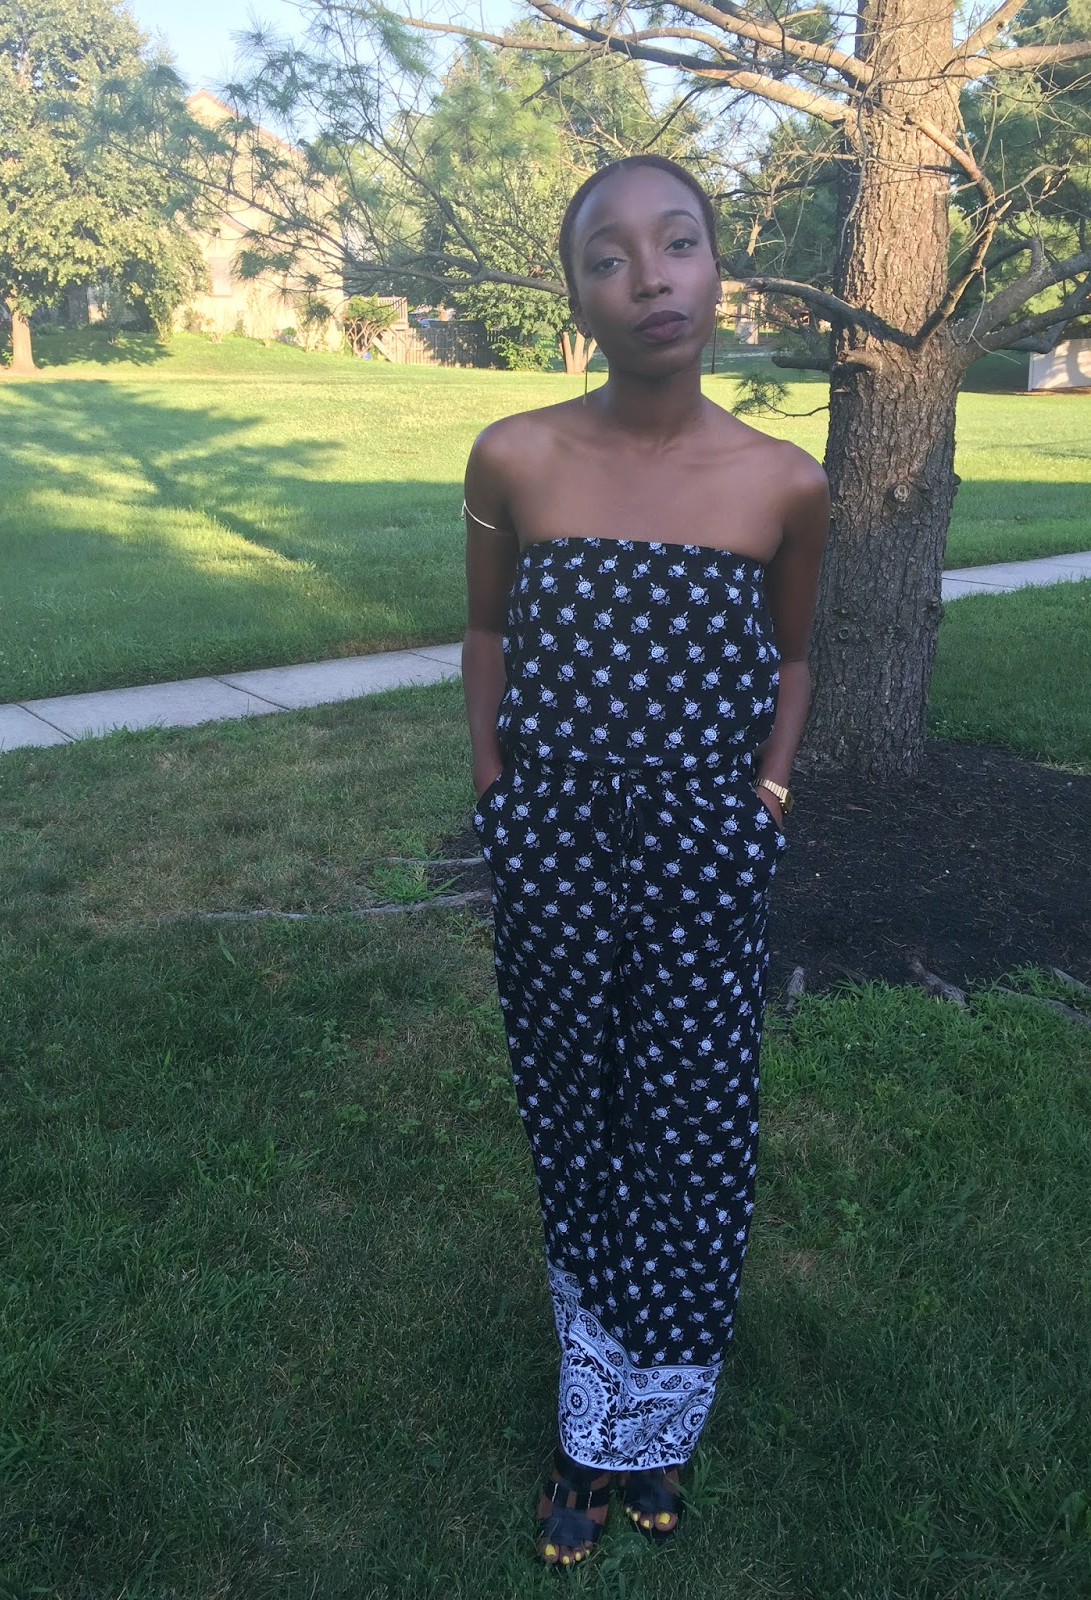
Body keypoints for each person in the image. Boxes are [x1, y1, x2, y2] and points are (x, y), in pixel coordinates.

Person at [461, 155, 829, 1568]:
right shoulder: (514, 458)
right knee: (579, 1123)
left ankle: (652, 1428)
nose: (650, 276)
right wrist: (497, 793)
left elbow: (792, 658)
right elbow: (486, 634)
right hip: (553, 848)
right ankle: (589, 1422)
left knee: (690, 1131)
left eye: (678, 243)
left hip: (703, 855)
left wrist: (767, 796)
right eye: (608, 257)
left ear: (717, 269)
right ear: (577, 296)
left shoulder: (785, 483)